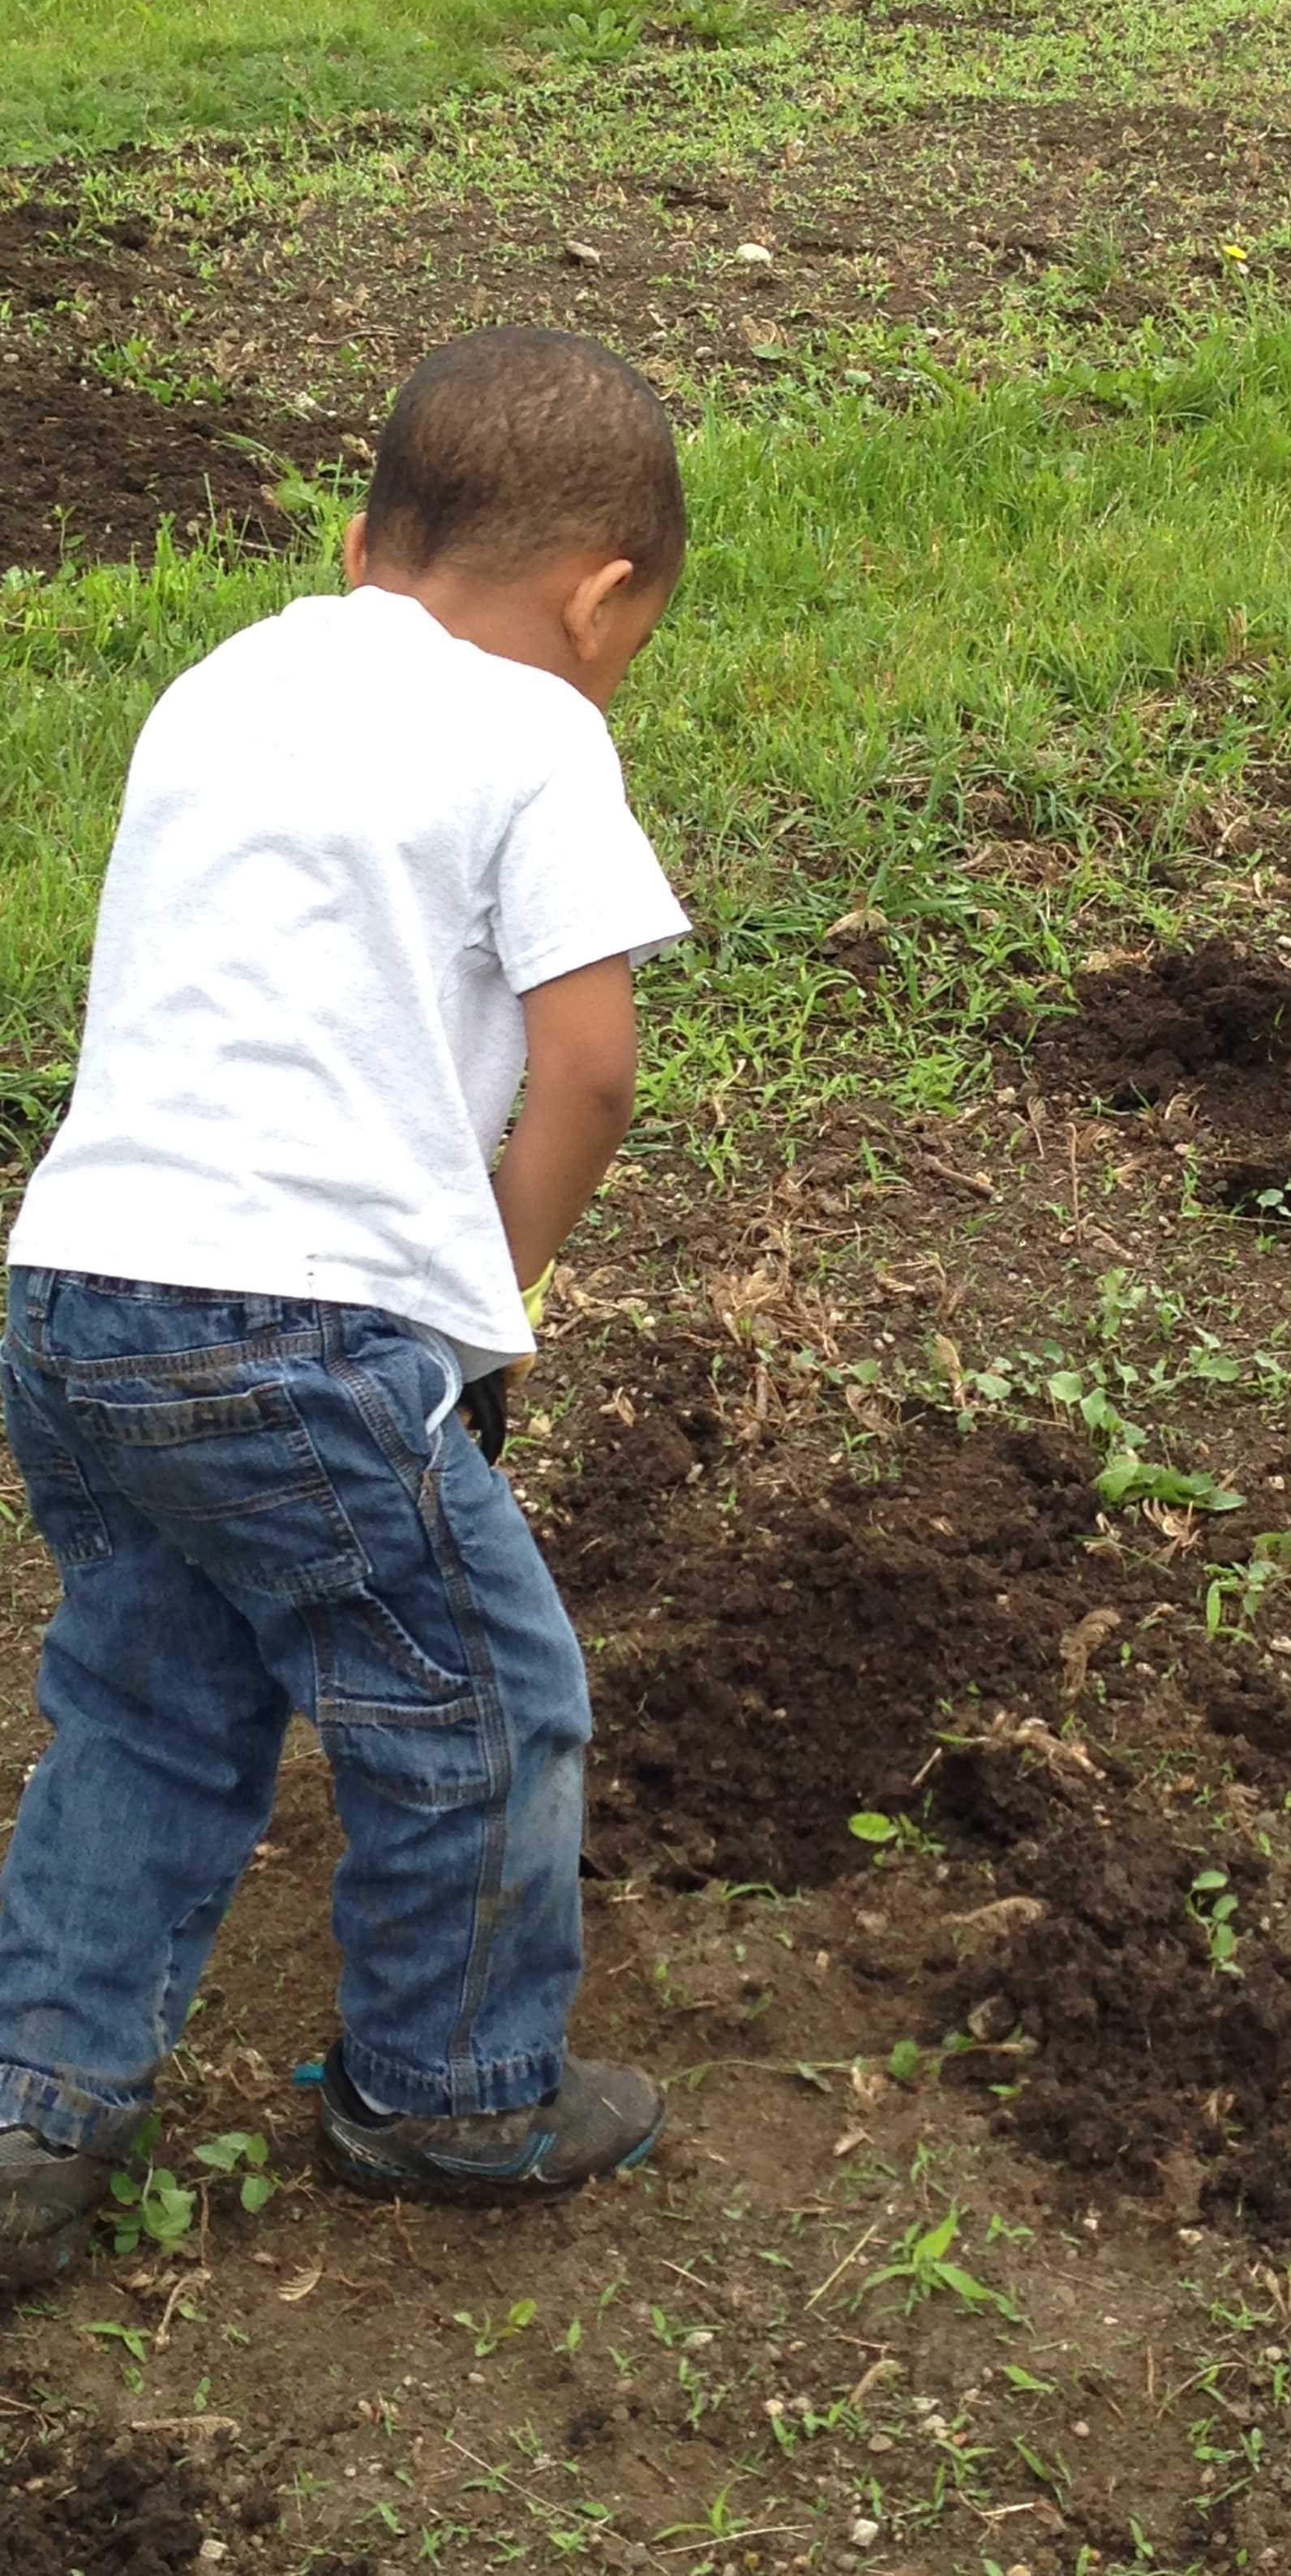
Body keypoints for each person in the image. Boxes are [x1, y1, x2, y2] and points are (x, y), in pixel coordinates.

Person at [0, 326, 691, 2289]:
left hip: (75, 1291)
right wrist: (486, 1311)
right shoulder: (536, 728)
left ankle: (31, 2120)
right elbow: (590, 1070)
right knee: (481, 1698)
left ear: (366, 531)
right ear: (602, 591)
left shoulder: (220, 685)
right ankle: (454, 2096)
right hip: (297, 1340)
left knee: (146, 1703)